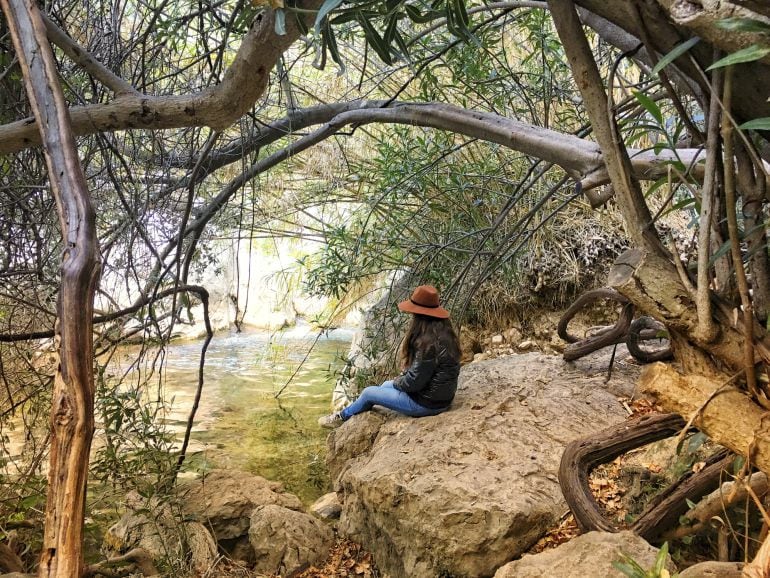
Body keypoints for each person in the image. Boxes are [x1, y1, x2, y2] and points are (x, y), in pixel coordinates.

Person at [318, 285, 461, 428]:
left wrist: (398, 381)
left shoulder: (427, 344)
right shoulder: (445, 334)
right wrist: (399, 381)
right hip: (442, 399)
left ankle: (341, 418)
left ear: (419, 315)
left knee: (368, 393)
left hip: (427, 404)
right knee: (386, 385)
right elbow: (423, 375)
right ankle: (363, 415)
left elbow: (414, 383)